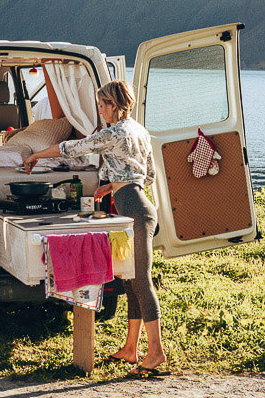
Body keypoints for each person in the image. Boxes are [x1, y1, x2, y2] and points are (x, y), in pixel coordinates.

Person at [23, 80, 166, 377]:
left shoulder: (112, 133)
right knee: (129, 280)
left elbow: (73, 148)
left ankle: (156, 352)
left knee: (141, 281)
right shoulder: (140, 130)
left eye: (103, 105)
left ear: (116, 105)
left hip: (135, 211)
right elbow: (149, 175)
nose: (100, 110)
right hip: (139, 204)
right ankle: (130, 349)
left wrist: (36, 156)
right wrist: (115, 185)